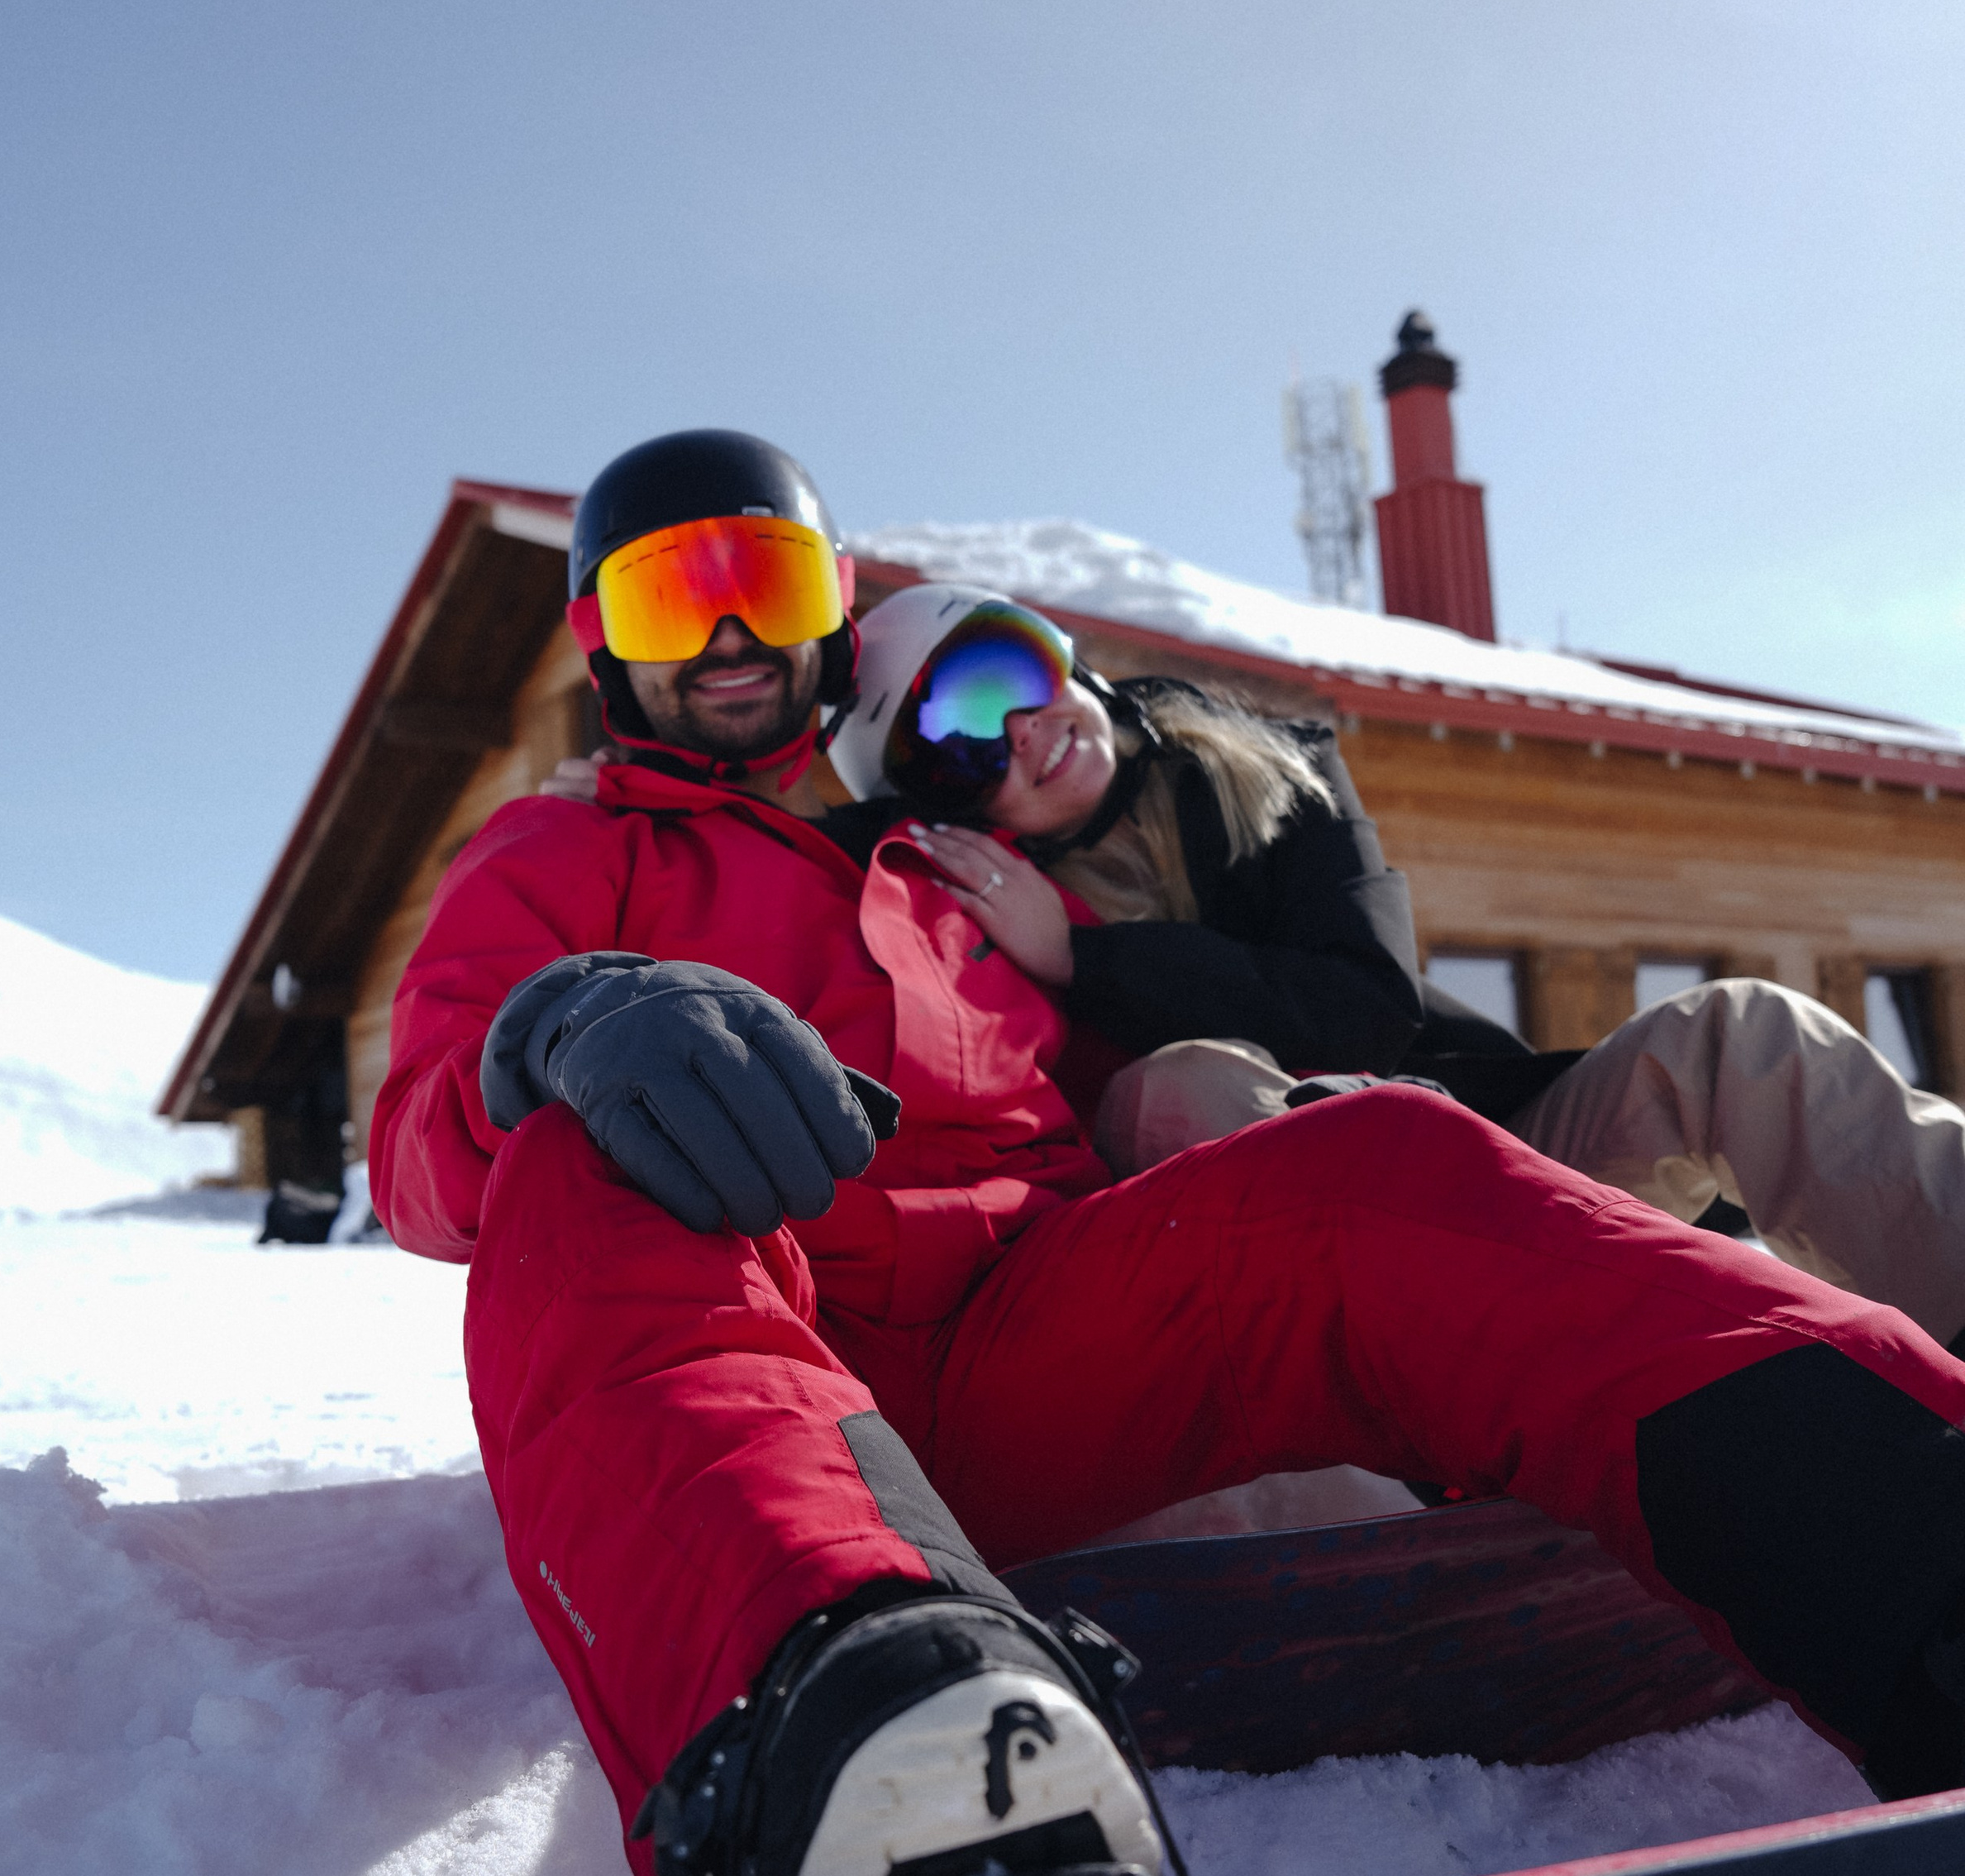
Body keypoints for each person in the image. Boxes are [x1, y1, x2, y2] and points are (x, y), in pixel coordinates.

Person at [373, 432, 1965, 1876]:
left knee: (1376, 1167)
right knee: (593, 1154)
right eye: (671, 603)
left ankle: (1907, 1534)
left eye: (764, 584)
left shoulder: (952, 885)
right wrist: (551, 1033)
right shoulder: (563, 854)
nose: (727, 638)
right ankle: (870, 1724)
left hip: (1041, 1336)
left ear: (830, 610)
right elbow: (424, 1154)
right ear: (598, 644)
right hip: (783, 1341)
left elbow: (1140, 1094)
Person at [829, 582, 1965, 1359]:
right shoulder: (970, 906)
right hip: (1308, 1296)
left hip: (1497, 1176)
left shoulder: (1275, 772)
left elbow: (1362, 1010)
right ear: (938, 807)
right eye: (961, 746)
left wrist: (1088, 957)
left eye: (1003, 673)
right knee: (1181, 1090)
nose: (1021, 733)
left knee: (1742, 1034)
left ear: (1058, 652)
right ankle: (1428, 1437)